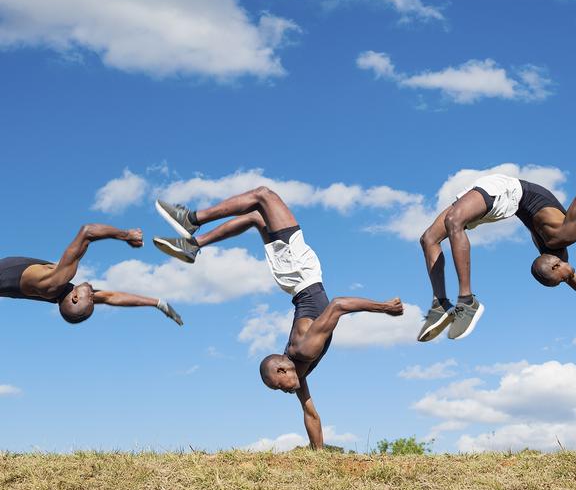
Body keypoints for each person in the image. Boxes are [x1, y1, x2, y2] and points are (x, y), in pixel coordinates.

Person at [151, 186, 403, 449]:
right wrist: (318, 457)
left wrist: (384, 307)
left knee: (263, 196)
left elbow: (339, 305)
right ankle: (194, 245)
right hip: (294, 276)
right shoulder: (300, 369)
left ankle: (191, 221)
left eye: (279, 386)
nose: (285, 391)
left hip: (299, 273)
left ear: (282, 369)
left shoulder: (305, 349)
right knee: (256, 216)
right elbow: (311, 414)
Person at [417, 173, 576, 358]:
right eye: (563, 279)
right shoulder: (567, 235)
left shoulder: (554, 254)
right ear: (555, 266)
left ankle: (446, 303)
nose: (568, 279)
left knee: (446, 227)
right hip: (509, 189)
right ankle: (460, 301)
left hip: (505, 199)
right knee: (430, 238)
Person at [1, 223, 182, 325]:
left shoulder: (55, 283)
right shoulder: (58, 292)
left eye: (90, 298)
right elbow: (112, 297)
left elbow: (88, 232)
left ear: (74, 298)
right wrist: (158, 304)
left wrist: (128, 235)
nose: (93, 294)